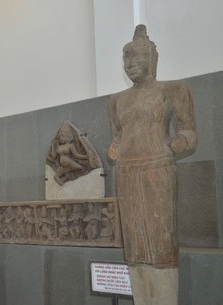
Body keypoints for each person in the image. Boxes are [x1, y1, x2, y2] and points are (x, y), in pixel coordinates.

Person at [108, 25, 196, 305]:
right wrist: (115, 148)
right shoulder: (116, 100)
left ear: (152, 60)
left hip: (158, 168)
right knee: (134, 245)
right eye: (126, 60)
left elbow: (188, 130)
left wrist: (182, 140)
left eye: (136, 58)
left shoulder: (173, 90)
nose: (130, 64)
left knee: (161, 242)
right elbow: (118, 137)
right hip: (127, 172)